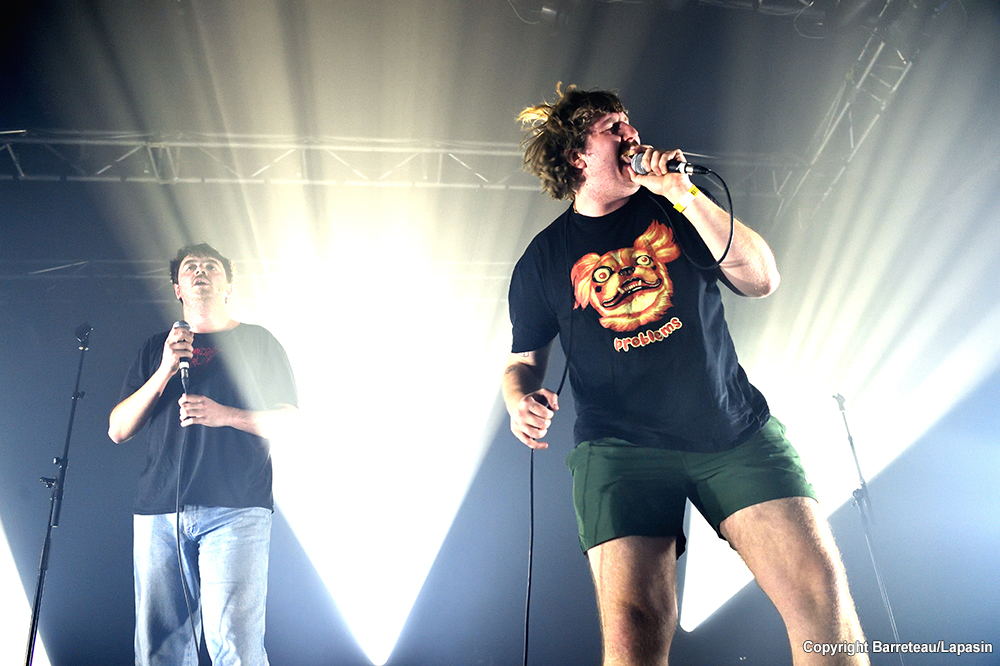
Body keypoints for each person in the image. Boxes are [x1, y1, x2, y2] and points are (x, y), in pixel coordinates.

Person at [502, 85, 869, 666]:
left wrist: (684, 194)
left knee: (820, 603)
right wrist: (519, 400)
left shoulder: (678, 207)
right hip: (620, 450)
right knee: (633, 632)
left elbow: (761, 280)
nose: (631, 133)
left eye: (629, 122)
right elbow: (523, 362)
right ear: (578, 157)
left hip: (732, 430)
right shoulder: (542, 260)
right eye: (612, 128)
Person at [109, 242, 297, 666]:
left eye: (211, 266)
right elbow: (118, 429)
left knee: (235, 645)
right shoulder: (157, 348)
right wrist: (164, 369)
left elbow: (290, 420)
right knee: (160, 648)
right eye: (190, 267)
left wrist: (224, 414)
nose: (200, 271)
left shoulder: (258, 342)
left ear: (228, 285)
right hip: (160, 511)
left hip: (236, 509)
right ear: (177, 288)